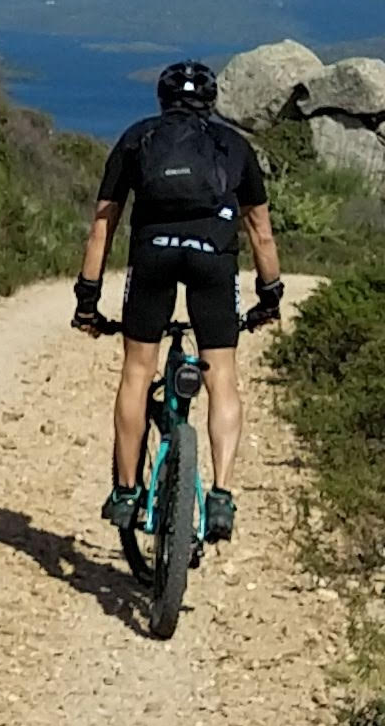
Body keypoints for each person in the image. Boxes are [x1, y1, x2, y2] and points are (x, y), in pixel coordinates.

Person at [71, 56, 282, 540]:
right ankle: (222, 494)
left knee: (137, 372)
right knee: (222, 377)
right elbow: (261, 232)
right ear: (211, 102)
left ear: (162, 99)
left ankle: (127, 493)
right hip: (213, 259)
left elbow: (103, 224)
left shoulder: (137, 138)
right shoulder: (233, 144)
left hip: (154, 257)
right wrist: (269, 295)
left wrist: (88, 298)